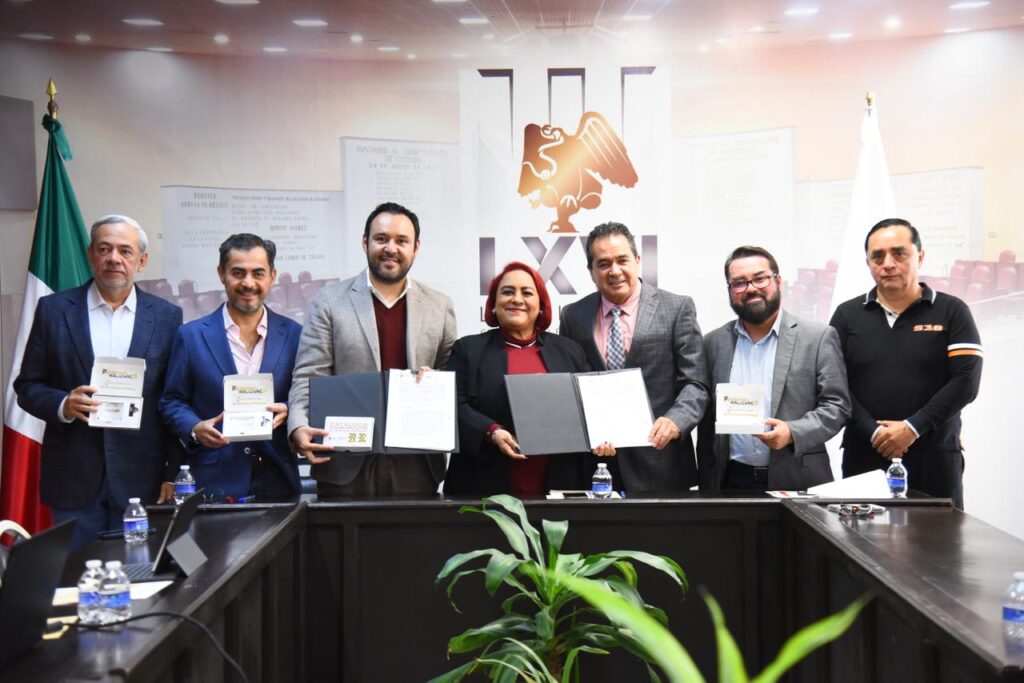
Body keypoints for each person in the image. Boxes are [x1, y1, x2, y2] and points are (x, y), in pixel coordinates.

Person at [14, 215, 183, 549]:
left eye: (125, 251)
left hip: (142, 480)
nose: (114, 258)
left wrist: (172, 472)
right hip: (73, 478)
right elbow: (27, 386)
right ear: (91, 255)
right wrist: (63, 404)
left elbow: (173, 398)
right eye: (104, 249)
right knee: (78, 576)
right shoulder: (53, 310)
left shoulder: (167, 316)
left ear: (141, 260)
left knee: (137, 573)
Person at [287, 202, 457, 496]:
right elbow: (309, 375)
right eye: (381, 239)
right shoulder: (329, 301)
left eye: (401, 241)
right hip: (343, 458)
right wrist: (298, 426)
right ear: (365, 242)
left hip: (416, 461)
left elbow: (452, 375)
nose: (391, 248)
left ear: (416, 247)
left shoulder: (439, 305)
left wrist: (436, 381)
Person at [830, 218, 983, 509]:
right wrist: (875, 432)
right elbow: (833, 385)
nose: (888, 264)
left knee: (939, 537)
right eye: (877, 256)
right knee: (862, 537)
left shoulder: (952, 311)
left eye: (899, 253)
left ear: (920, 257)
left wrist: (912, 428)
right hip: (865, 455)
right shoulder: (847, 316)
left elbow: (966, 381)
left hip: (935, 455)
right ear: (868, 263)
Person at [559, 222, 710, 493]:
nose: (614, 271)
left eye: (622, 260)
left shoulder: (677, 307)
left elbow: (696, 383)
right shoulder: (573, 316)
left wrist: (675, 420)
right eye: (603, 264)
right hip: (597, 466)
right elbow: (570, 387)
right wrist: (587, 433)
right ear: (591, 271)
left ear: (638, 261)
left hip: (661, 463)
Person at [443, 262, 611, 496]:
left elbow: (592, 408)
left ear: (541, 306)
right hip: (484, 484)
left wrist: (603, 436)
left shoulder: (570, 351)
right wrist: (491, 431)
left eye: (527, 293)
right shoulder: (468, 350)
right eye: (507, 292)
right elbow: (453, 406)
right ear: (493, 305)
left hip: (560, 484)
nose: (517, 299)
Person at [159, 234, 302, 500]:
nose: (248, 283)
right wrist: (195, 428)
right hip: (215, 479)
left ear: (272, 276)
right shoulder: (191, 336)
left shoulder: (295, 334)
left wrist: (289, 409)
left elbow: (306, 394)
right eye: (238, 273)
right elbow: (172, 400)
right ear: (221, 274)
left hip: (279, 478)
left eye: (258, 273)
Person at [697, 246, 850, 492]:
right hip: (729, 482)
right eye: (739, 283)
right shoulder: (712, 343)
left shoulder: (817, 337)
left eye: (760, 278)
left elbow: (837, 406)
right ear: (730, 291)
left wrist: (792, 432)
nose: (751, 288)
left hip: (798, 478)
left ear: (778, 282)